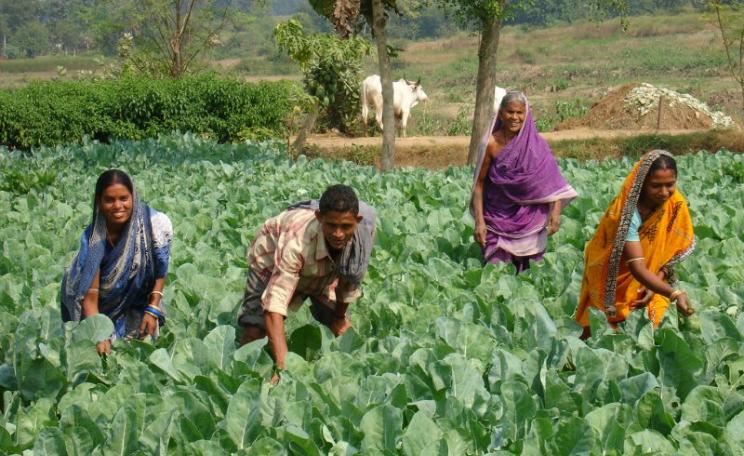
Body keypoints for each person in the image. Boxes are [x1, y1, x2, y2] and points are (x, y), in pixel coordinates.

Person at [238, 184, 376, 383]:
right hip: (271, 260)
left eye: (345, 226)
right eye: (331, 225)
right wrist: (284, 366)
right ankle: (242, 377)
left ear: (357, 221)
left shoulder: (362, 236)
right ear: (319, 218)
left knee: (342, 329)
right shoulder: (297, 240)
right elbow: (274, 303)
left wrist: (338, 317)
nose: (338, 233)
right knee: (255, 329)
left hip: (322, 268)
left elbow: (350, 279)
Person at [575, 150, 695, 337]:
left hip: (651, 279)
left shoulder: (675, 204)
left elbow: (669, 251)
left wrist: (659, 276)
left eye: (670, 185)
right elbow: (638, 268)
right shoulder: (628, 214)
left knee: (649, 332)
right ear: (642, 184)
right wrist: (675, 294)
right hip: (616, 277)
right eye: (656, 186)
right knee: (597, 330)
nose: (664, 192)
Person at [60, 169, 173, 355]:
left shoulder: (153, 225)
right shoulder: (94, 241)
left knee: (138, 353)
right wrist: (98, 334)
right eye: (109, 200)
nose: (117, 206)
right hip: (96, 302)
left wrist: (153, 308)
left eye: (123, 198)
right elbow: (90, 297)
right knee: (96, 353)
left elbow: (160, 271)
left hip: (138, 298)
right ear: (99, 202)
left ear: (133, 198)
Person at [471, 91, 577, 272]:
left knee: (531, 275)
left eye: (519, 113)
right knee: (496, 273)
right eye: (510, 112)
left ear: (526, 115)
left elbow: (552, 182)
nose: (514, 117)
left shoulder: (537, 145)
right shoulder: (490, 144)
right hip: (497, 219)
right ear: (501, 113)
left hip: (530, 220)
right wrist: (479, 222)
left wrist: (555, 211)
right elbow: (479, 184)